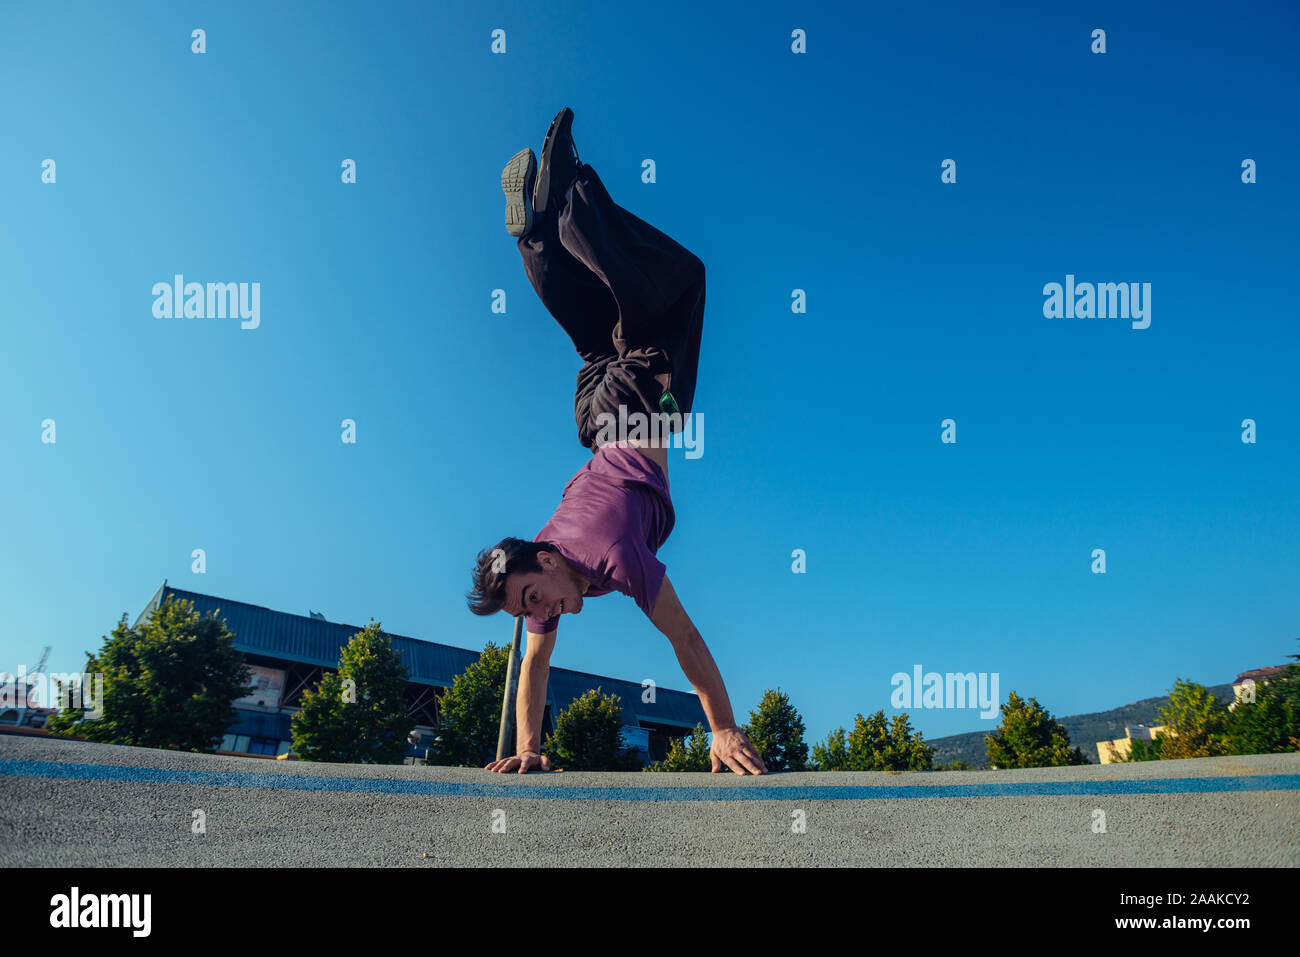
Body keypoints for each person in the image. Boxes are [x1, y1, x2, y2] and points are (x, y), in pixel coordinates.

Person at [467, 108, 767, 776]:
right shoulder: (550, 574)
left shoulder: (608, 553)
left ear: (545, 556)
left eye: (532, 596)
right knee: (597, 327)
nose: (540, 613)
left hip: (636, 412)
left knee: (677, 286)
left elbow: (683, 634)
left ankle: (570, 196)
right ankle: (537, 241)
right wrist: (527, 751)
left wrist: (722, 727)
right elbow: (533, 668)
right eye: (528, 609)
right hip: (594, 413)